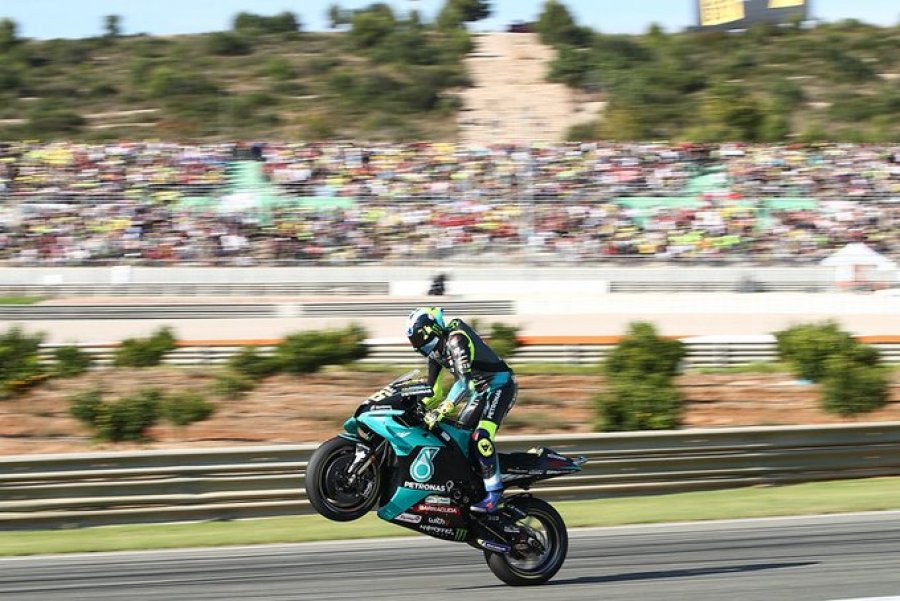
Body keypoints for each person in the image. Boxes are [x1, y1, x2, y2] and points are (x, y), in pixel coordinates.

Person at [405, 307, 517, 513]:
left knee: (481, 436)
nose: (418, 346)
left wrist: (442, 409)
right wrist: (411, 404)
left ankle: (494, 493)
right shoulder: (436, 352)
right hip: (480, 390)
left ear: (432, 330)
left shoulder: (456, 340)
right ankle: (472, 486)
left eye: (420, 339)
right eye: (414, 342)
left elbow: (463, 384)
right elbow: (433, 390)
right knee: (459, 437)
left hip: (500, 386)